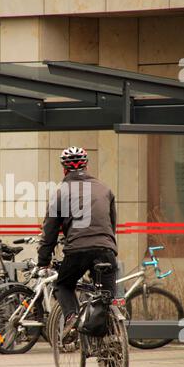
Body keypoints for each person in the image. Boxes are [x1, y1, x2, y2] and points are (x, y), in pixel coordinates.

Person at [37, 146, 117, 341]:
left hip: (77, 250)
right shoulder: (105, 189)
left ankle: (72, 318)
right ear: (87, 166)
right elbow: (112, 224)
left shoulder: (61, 193)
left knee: (63, 285)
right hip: (106, 249)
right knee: (106, 297)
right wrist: (110, 249)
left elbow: (50, 231)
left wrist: (43, 259)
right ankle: (114, 339)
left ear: (64, 169)